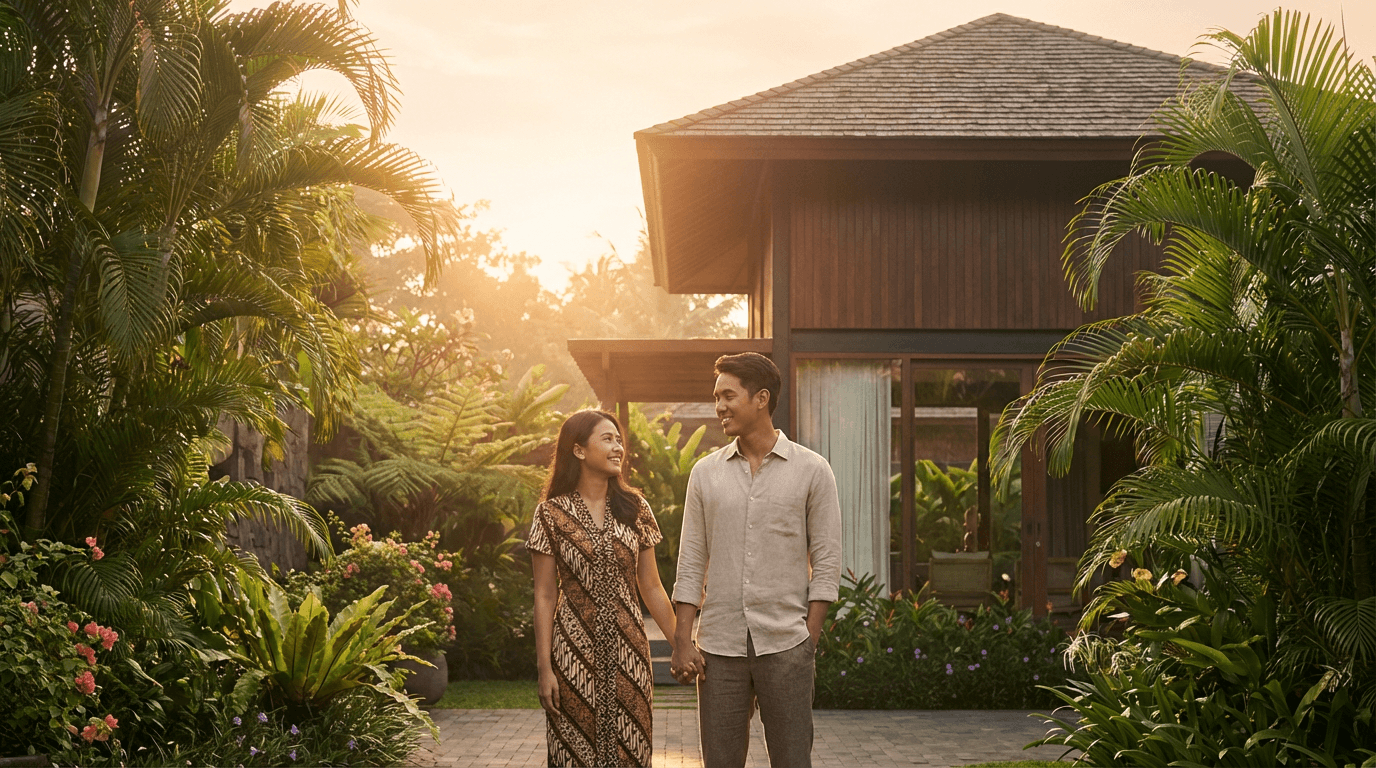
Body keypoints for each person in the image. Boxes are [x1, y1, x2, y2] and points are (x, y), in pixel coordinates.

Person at [669, 352, 842, 768]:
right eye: (717, 396)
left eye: (729, 395)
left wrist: (808, 639)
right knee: (720, 762)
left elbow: (827, 559)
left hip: (786, 643)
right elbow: (691, 559)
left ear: (761, 398)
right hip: (719, 647)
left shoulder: (813, 471)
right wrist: (682, 640)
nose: (719, 406)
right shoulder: (705, 473)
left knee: (792, 761)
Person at [527, 410, 678, 767]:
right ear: (578, 450)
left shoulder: (635, 508)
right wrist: (544, 668)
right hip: (572, 654)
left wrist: (681, 644)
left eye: (618, 440)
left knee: (631, 749)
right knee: (572, 753)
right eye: (607, 439)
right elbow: (545, 595)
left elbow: (652, 585)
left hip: (630, 652)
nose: (618, 448)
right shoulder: (550, 514)